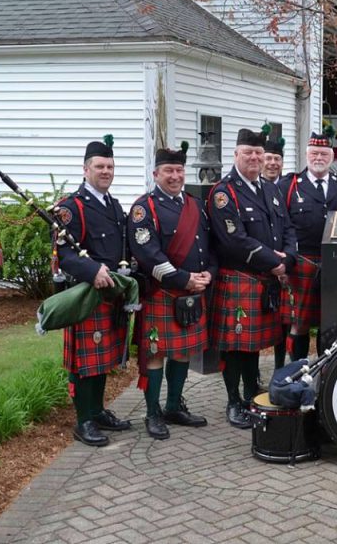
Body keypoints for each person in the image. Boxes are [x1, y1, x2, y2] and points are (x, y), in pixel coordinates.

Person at [208, 128, 297, 429]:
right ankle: (234, 401)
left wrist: (290, 257)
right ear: (236, 154)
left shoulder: (270, 188)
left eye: (259, 153)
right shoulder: (224, 193)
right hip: (240, 278)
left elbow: (287, 228)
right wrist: (276, 263)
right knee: (235, 345)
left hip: (266, 280)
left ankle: (249, 394)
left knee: (253, 344)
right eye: (249, 152)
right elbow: (235, 241)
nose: (255, 158)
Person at [128, 143, 216, 440]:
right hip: (161, 293)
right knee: (155, 354)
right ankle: (152, 413)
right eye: (168, 170)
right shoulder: (145, 208)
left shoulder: (194, 205)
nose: (175, 176)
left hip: (192, 290)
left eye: (179, 170)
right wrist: (184, 280)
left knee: (182, 352)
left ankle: (174, 406)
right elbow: (147, 254)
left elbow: (209, 247)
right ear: (156, 173)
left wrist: (208, 274)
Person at [55, 137, 132, 446]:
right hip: (86, 295)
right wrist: (93, 270)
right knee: (86, 363)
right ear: (85, 169)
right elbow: (64, 255)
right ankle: (84, 420)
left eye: (110, 166)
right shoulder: (70, 208)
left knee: (102, 359)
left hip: (110, 293)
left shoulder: (113, 205)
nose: (106, 171)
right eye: (99, 166)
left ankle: (98, 411)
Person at [278, 132, 337, 360]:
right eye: (314, 153)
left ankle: (327, 371)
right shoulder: (290, 185)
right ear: (306, 155)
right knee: (299, 323)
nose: (319, 158)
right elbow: (281, 227)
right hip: (301, 262)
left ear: (332, 157)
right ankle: (298, 372)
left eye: (324, 153)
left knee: (333, 321)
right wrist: (283, 262)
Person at [261, 136, 291, 369]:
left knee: (285, 322)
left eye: (277, 159)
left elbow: (291, 227)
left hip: (285, 265)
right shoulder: (251, 187)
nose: (272, 163)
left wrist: (287, 261)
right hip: (259, 265)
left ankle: (280, 368)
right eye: (268, 158)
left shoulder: (290, 186)